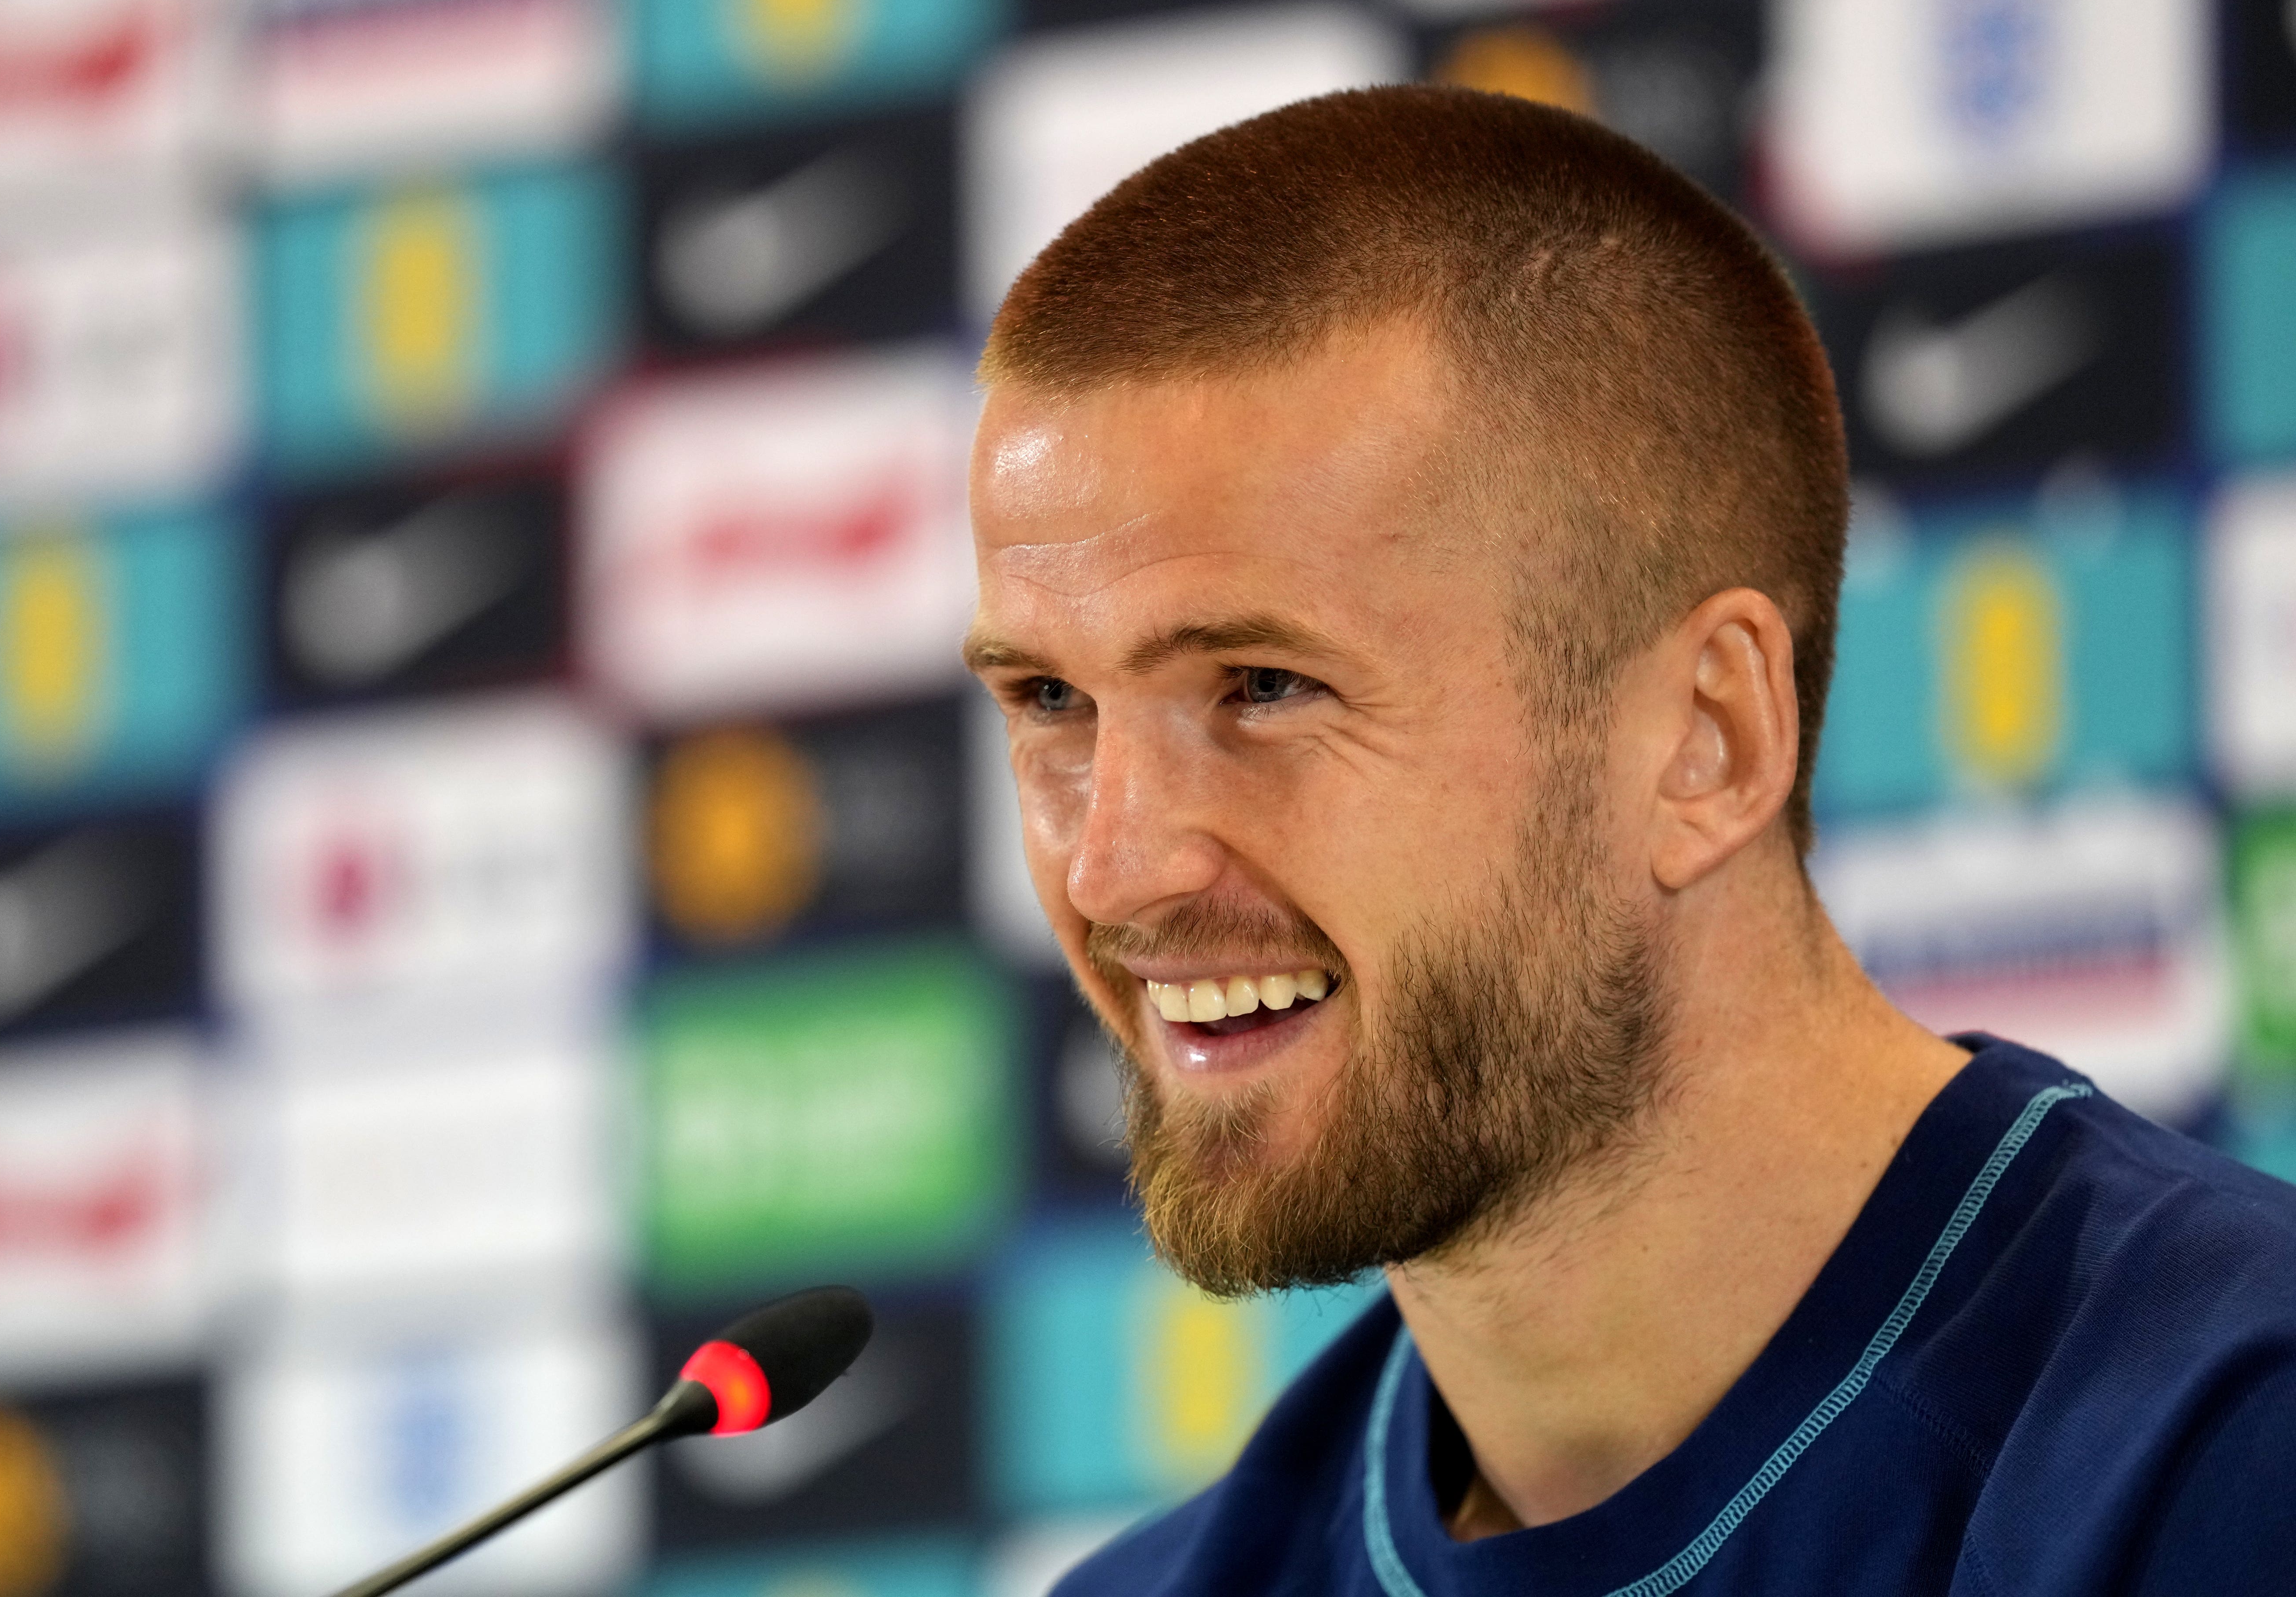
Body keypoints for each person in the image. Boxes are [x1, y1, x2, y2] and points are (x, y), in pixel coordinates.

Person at [962, 86, 2296, 1597]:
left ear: (1706, 740)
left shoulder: (2235, 1461)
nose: (1113, 868)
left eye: (1266, 688)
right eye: (1051, 700)